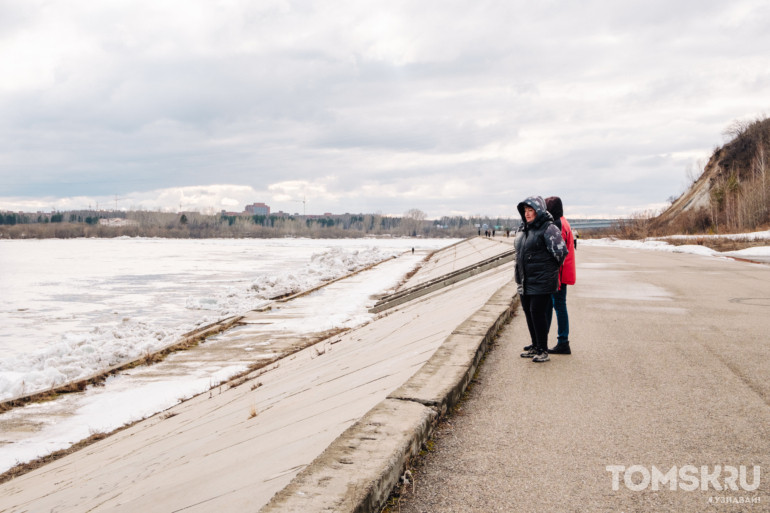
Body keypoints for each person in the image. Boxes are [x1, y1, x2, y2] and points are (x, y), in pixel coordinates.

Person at [515, 196, 568, 363]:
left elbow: (561, 252)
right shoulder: (524, 228)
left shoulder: (549, 228)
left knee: (537, 313)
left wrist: (547, 270)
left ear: (538, 211)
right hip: (525, 279)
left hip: (542, 280)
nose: (528, 214)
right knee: (529, 313)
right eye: (525, 211)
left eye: (531, 210)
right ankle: (535, 345)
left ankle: (543, 350)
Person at [544, 196, 576, 355]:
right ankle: (544, 340)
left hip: (558, 273)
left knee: (558, 306)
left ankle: (563, 342)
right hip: (563, 272)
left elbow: (556, 251)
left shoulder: (557, 224)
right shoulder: (564, 221)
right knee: (552, 306)